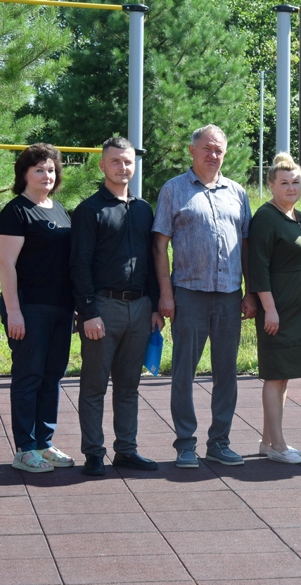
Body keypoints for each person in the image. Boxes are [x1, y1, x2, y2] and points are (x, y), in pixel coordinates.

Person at [152, 124, 256, 468]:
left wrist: (250, 293)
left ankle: (220, 442)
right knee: (184, 371)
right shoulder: (174, 189)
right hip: (189, 294)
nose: (213, 155)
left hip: (229, 295)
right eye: (207, 149)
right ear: (192, 151)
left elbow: (246, 246)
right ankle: (185, 444)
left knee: (226, 372)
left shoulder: (237, 192)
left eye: (219, 150)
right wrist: (165, 295)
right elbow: (160, 245)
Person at [70, 137, 164, 476]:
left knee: (129, 386)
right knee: (94, 385)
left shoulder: (143, 209)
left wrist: (153, 306)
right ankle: (93, 453)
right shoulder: (89, 210)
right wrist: (88, 312)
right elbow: (78, 265)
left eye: (127, 162)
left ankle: (126, 449)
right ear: (102, 166)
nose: (123, 167)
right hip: (103, 309)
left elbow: (153, 259)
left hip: (139, 308)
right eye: (115, 162)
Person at [0, 143, 76, 473]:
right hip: (28, 307)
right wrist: (13, 311)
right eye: (39, 169)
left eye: (51, 169)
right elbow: (6, 264)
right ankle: (25, 449)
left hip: (61, 307)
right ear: (24, 174)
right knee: (29, 376)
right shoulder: (16, 211)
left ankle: (44, 444)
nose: (47, 175)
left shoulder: (59, 209)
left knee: (52, 375)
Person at [248, 153, 301, 464]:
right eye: (285, 183)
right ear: (271, 185)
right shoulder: (265, 218)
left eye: (296, 182)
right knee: (275, 376)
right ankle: (278, 445)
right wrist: (270, 309)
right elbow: (257, 267)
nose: (291, 188)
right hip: (279, 310)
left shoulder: (299, 217)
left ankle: (267, 441)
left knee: (283, 377)